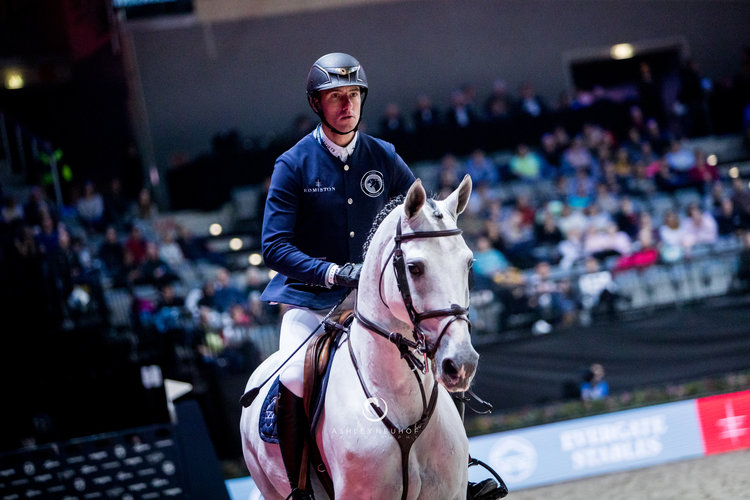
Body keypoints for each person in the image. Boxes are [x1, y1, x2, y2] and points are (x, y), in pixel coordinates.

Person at [259, 52, 416, 499]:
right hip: (312, 302)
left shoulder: (382, 155)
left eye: (353, 95)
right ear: (317, 104)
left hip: (378, 304)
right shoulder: (293, 165)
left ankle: (459, 466)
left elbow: (417, 216)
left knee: (435, 355)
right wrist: (331, 273)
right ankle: (297, 488)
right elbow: (274, 246)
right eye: (335, 97)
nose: (346, 105)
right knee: (294, 379)